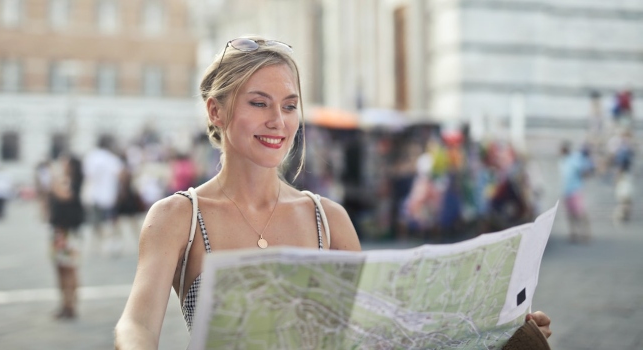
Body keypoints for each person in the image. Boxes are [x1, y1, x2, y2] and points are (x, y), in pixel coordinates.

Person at [114, 36, 552, 349]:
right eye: (258, 102)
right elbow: (136, 324)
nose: (278, 121)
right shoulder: (178, 217)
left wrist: (501, 331)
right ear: (217, 110)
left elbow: (379, 333)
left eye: (289, 106)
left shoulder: (328, 219)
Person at [48, 154, 85, 319]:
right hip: (59, 231)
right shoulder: (66, 181)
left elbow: (63, 194)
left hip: (69, 233)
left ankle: (71, 304)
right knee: (60, 269)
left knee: (69, 269)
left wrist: (54, 176)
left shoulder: (75, 183)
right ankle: (64, 303)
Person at [82, 137, 124, 254]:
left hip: (94, 194)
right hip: (110, 194)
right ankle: (113, 242)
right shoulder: (112, 158)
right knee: (111, 220)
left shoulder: (91, 157)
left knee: (96, 221)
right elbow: (120, 175)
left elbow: (87, 175)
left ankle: (102, 243)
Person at [559, 141, 594, 243]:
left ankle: (586, 233)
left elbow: (585, 171)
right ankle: (573, 233)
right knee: (570, 214)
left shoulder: (574, 159)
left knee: (580, 212)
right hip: (566, 190)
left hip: (575, 190)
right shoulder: (562, 161)